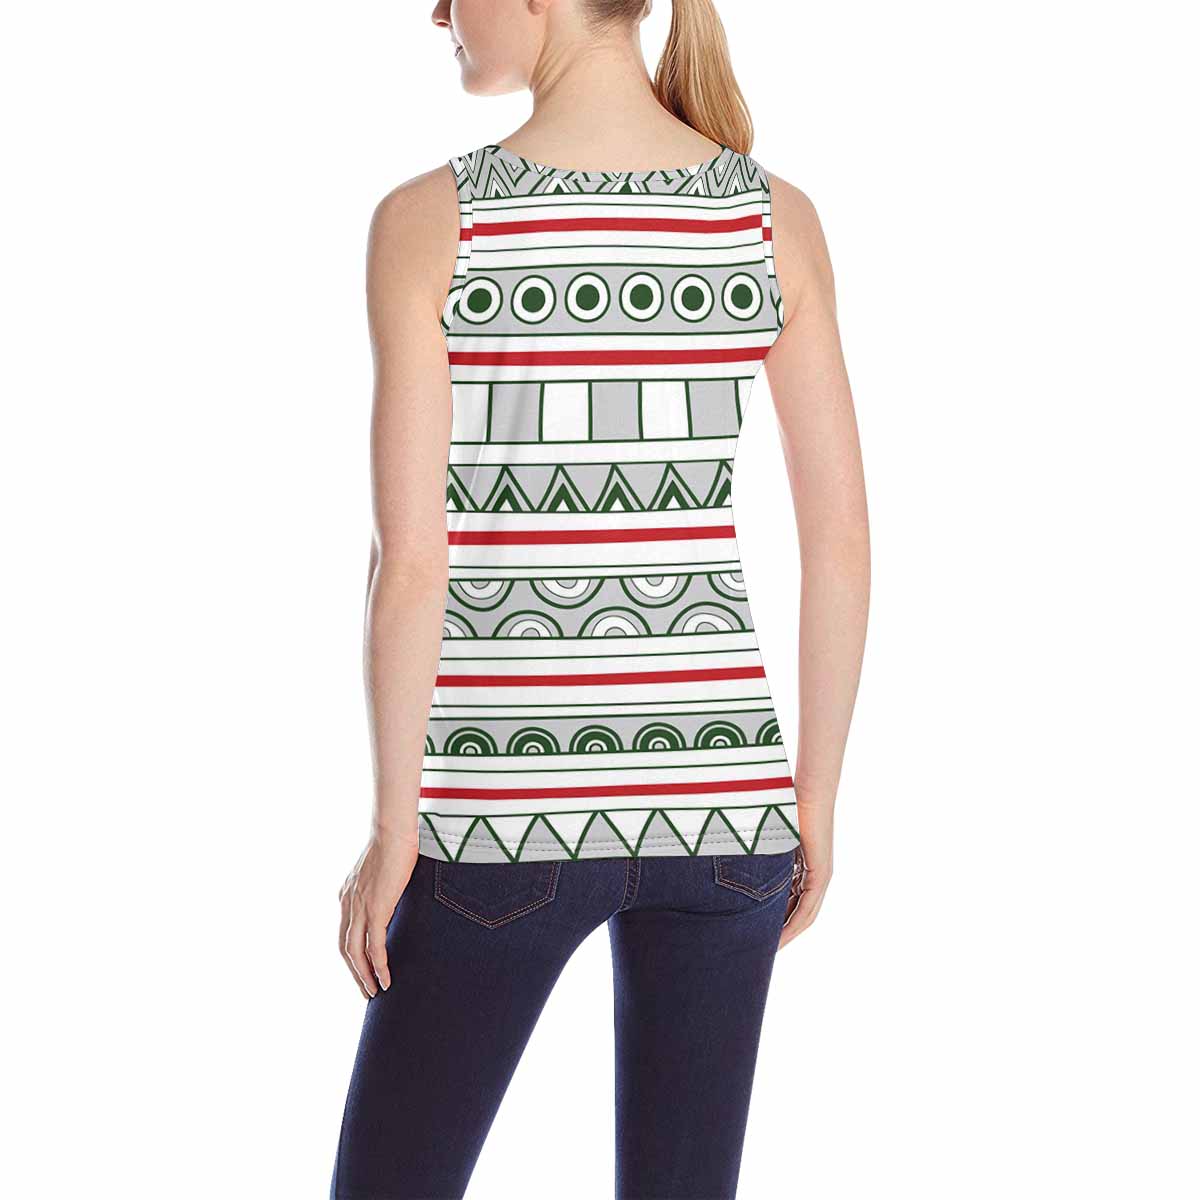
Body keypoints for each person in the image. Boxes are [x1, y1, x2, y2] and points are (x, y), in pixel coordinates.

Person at [330, 0, 869, 1195]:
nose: (438, 12)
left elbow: (411, 561)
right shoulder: (769, 218)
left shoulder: (435, 222)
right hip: (725, 811)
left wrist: (393, 829)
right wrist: (815, 800)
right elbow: (838, 541)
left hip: (505, 807)